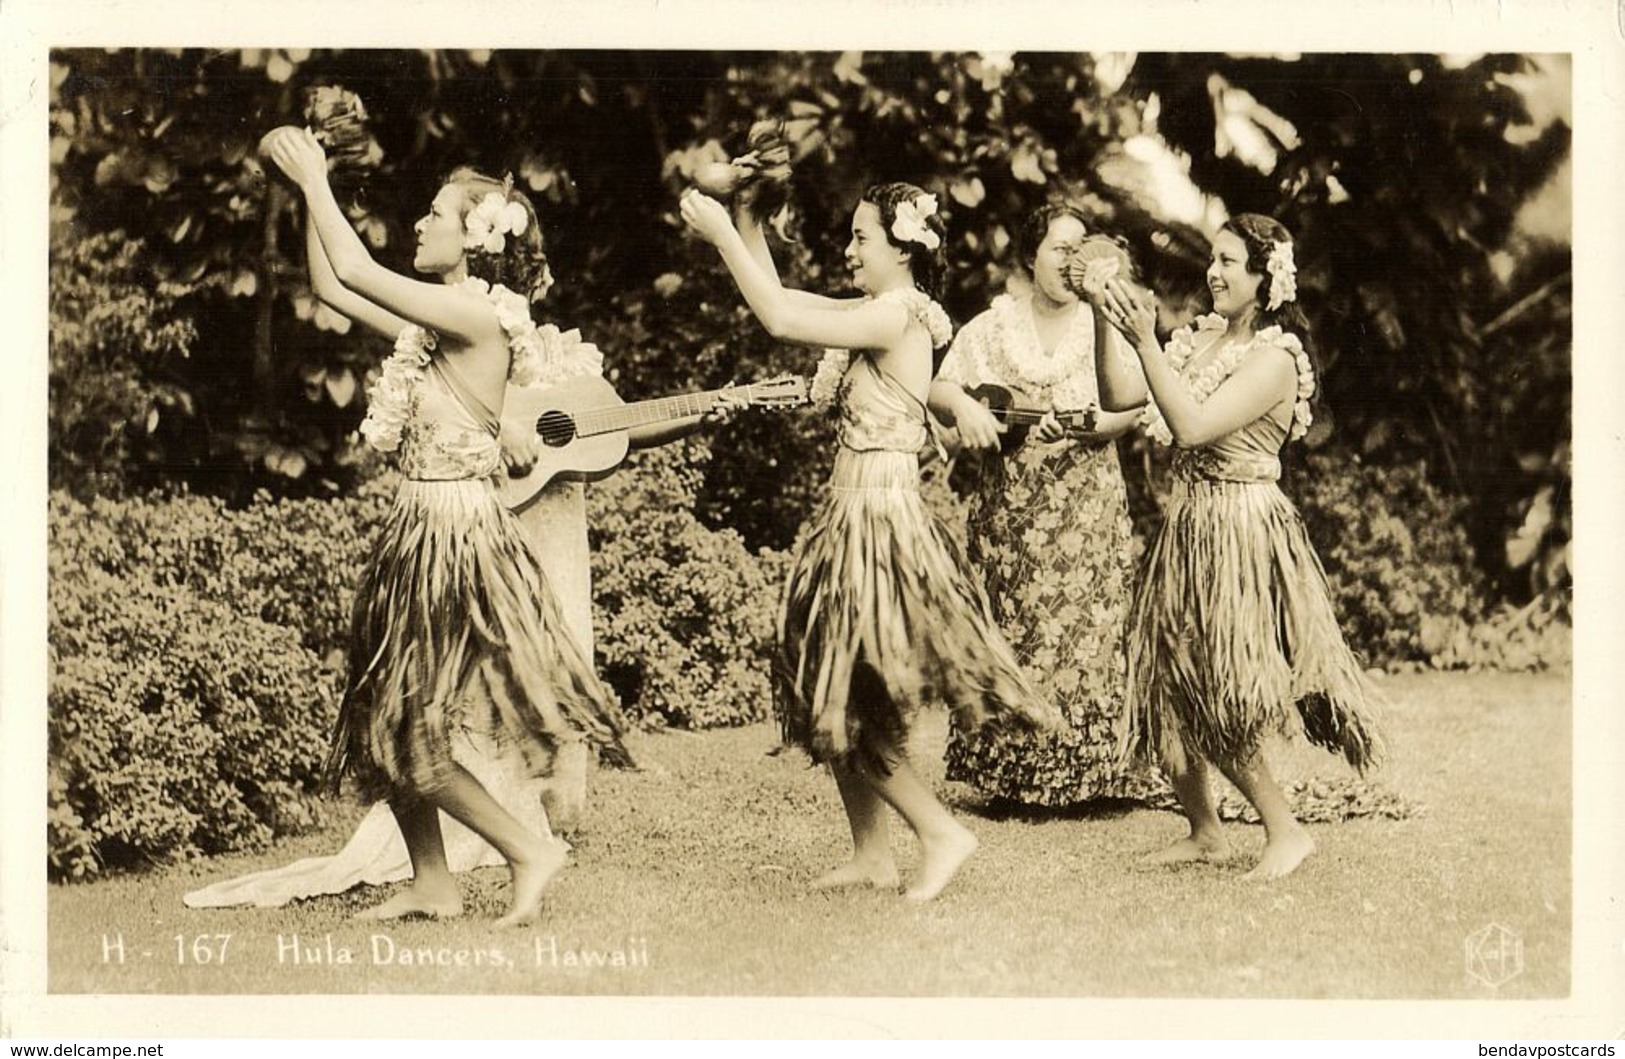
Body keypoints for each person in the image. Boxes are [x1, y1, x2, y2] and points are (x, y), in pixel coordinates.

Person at [186, 128, 713, 924]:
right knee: (384, 720)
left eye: (435, 214)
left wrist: (317, 176)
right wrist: (304, 194)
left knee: (407, 722)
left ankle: (529, 851)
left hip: (457, 538)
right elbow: (332, 286)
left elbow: (359, 266)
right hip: (419, 527)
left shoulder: (474, 319)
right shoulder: (433, 326)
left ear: (474, 236)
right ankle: (433, 880)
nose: (418, 226)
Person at [680, 181, 1059, 901]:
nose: (849, 249)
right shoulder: (875, 312)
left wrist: (724, 237)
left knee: (848, 692)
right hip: (851, 514)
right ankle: (871, 853)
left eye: (862, 238)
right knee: (834, 684)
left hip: (879, 520)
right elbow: (785, 299)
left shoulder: (897, 318)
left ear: (903, 248)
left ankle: (941, 833)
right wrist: (747, 219)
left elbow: (782, 319)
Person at [1094, 212, 1385, 880]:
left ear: (1264, 280)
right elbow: (1121, 395)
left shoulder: (1274, 358)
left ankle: (1284, 831)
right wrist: (1102, 319)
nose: (1213, 272)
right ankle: (1204, 829)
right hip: (1189, 519)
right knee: (1166, 672)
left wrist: (1142, 339)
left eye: (1229, 262)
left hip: (1239, 526)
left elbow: (1191, 426)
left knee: (1220, 683)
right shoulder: (1200, 338)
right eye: (1214, 258)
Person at [927, 204, 1166, 808]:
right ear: (1030, 257)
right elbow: (939, 385)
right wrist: (965, 408)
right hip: (1009, 508)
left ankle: (1093, 779)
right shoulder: (992, 327)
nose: (1070, 261)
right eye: (1058, 249)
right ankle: (1011, 777)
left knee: (1090, 633)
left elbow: (1134, 404)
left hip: (1085, 506)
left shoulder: (1102, 321)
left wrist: (1095, 430)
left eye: (1079, 249)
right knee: (1015, 629)